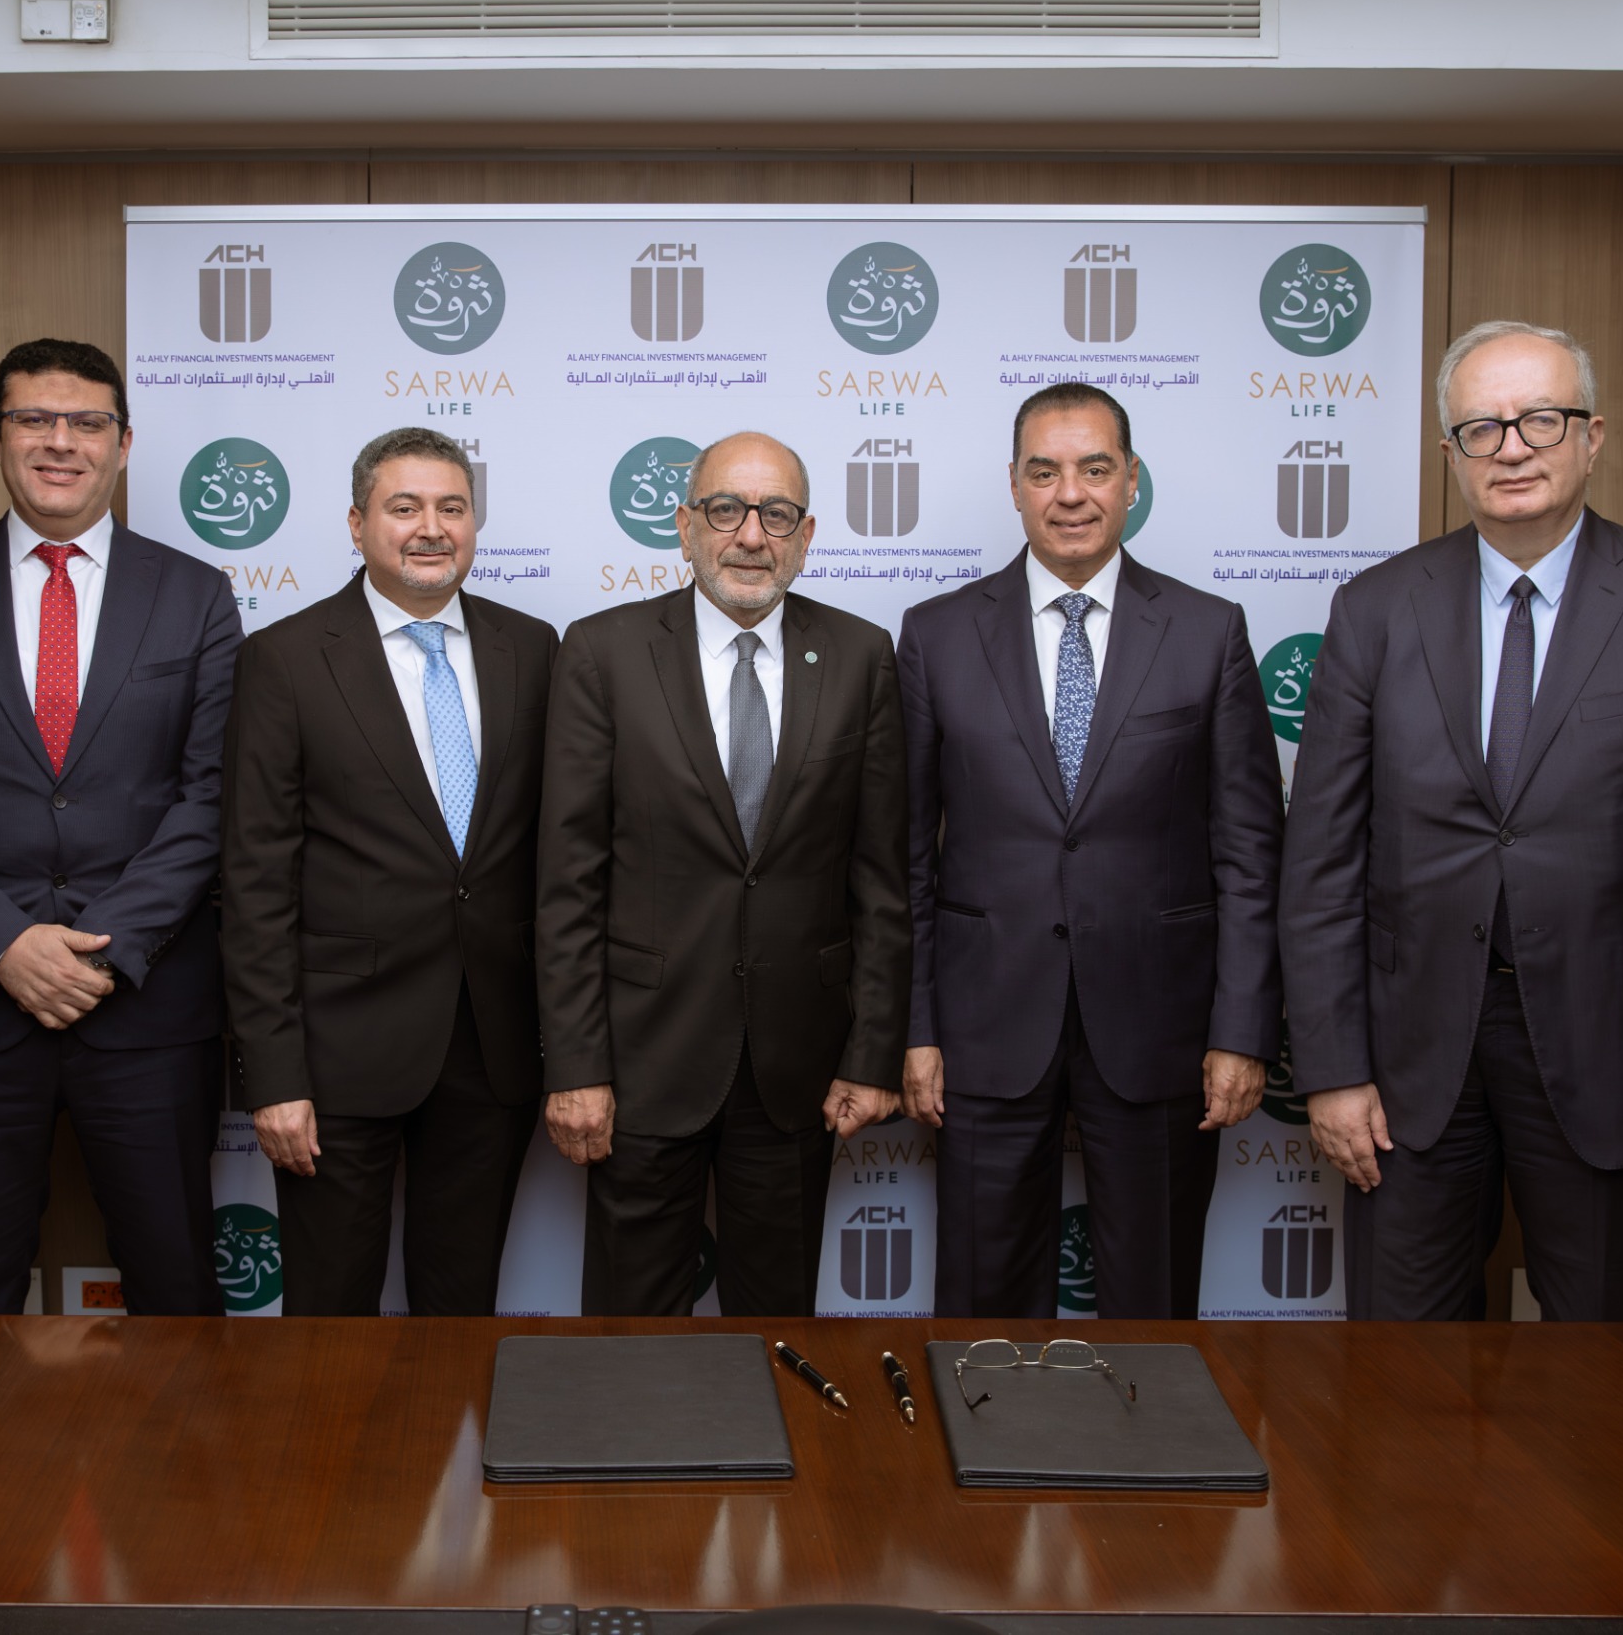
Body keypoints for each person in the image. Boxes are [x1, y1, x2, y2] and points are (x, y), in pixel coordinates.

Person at [1281, 320, 1623, 1321]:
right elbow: (1321, 864)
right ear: (1451, 454)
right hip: (1410, 1064)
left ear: (1591, 437)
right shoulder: (1375, 610)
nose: (1511, 447)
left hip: (1612, 1050)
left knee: (1602, 1367)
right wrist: (1332, 1072)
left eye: (1540, 420)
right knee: (1398, 1368)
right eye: (1482, 427)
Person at [0, 338, 243, 1315]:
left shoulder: (194, 593)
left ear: (123, 444)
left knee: (177, 1297)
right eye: (33, 419)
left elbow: (212, 794)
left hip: (147, 1010)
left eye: (86, 422)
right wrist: (6, 944)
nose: (59, 441)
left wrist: (105, 949)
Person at [897, 383, 1285, 1319]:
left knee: (1154, 1302)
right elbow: (904, 857)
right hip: (985, 1025)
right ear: (1014, 486)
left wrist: (1240, 1030)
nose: (1070, 493)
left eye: (1094, 468)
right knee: (983, 1307)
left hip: (1161, 1026)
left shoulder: (1209, 631)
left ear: (1131, 480)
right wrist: (915, 1026)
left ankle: (1148, 1425)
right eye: (1045, 472)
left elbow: (1248, 856)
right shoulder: (936, 634)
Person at [539, 430, 909, 1317]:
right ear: (684, 525)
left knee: (776, 1333)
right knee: (629, 1337)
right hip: (642, 1061)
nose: (750, 535)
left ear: (806, 535)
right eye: (725, 510)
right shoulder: (603, 651)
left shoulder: (860, 656)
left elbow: (881, 881)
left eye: (776, 514)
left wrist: (871, 1055)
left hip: (797, 1069)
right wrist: (577, 1066)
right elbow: (567, 883)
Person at [223, 427, 556, 1315]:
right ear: (357, 523)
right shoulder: (285, 660)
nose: (431, 528)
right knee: (331, 1317)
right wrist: (274, 1076)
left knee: (461, 1309)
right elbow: (254, 884)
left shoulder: (533, 650)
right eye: (404, 507)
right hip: (337, 1054)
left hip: (491, 1046)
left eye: (452, 507)